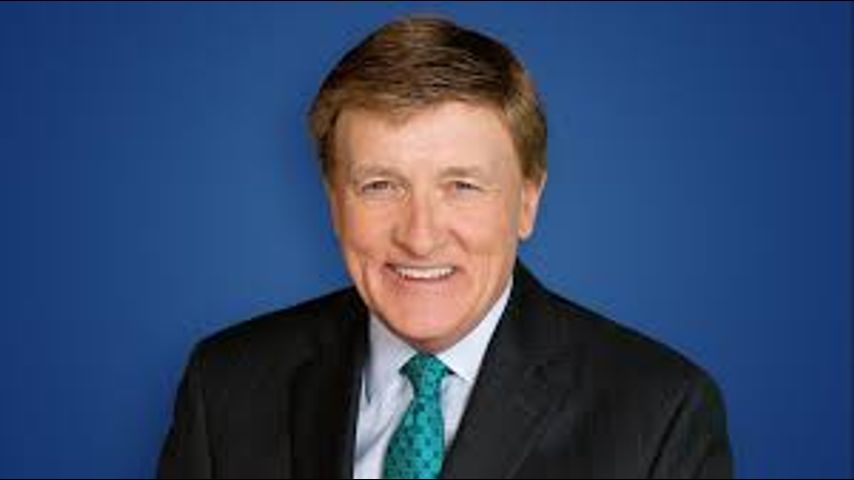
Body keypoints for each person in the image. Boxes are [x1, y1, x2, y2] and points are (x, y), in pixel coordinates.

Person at [157, 15, 732, 479]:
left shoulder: (659, 415)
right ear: (334, 202)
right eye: (380, 186)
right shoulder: (226, 385)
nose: (420, 235)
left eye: (461, 186)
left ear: (528, 202)